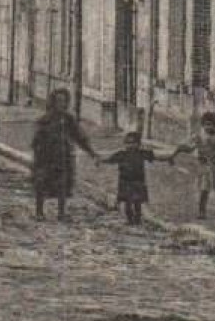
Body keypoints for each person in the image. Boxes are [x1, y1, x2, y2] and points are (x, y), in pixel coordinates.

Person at [30, 89, 97, 220]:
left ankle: (61, 212)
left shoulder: (69, 119)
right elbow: (36, 141)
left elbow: (80, 137)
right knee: (42, 184)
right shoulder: (44, 120)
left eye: (64, 101)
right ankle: (39, 212)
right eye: (58, 101)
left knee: (62, 185)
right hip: (46, 158)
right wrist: (38, 156)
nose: (61, 104)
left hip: (63, 157)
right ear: (53, 103)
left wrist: (92, 152)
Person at [99, 130, 174, 224]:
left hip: (138, 182)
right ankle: (130, 220)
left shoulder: (142, 153)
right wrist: (99, 160)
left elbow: (156, 156)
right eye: (127, 143)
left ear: (138, 144)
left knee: (137, 203)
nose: (130, 145)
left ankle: (137, 219)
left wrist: (168, 158)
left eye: (133, 143)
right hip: (125, 182)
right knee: (127, 203)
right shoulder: (121, 154)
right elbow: (110, 159)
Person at [176, 112, 215, 219]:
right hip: (205, 166)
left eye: (211, 124)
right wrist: (182, 147)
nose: (208, 127)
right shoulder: (199, 136)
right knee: (204, 189)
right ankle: (201, 211)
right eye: (206, 124)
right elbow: (190, 147)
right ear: (203, 125)